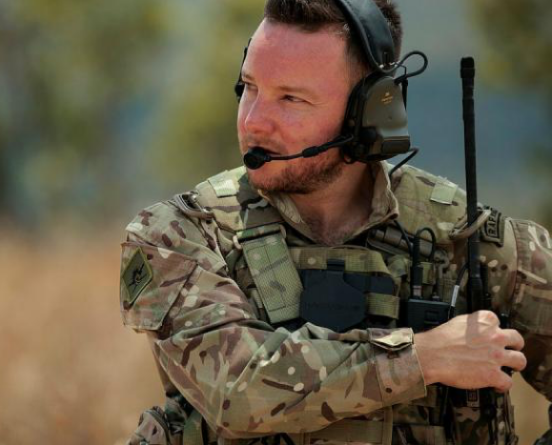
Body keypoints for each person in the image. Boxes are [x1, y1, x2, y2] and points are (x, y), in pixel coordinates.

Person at [119, 0, 552, 444]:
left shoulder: (471, 242)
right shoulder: (181, 234)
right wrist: (423, 357)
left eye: (291, 98)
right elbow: (238, 391)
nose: (253, 122)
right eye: (248, 87)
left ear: (368, 112)